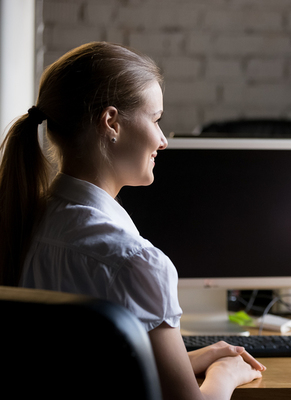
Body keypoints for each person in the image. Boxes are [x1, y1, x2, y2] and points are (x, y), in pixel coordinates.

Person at [0, 42, 264, 400]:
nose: (162, 140)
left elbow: (86, 368)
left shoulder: (24, 221)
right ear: (111, 122)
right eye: (155, 119)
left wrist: (192, 359)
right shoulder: (135, 262)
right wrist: (224, 374)